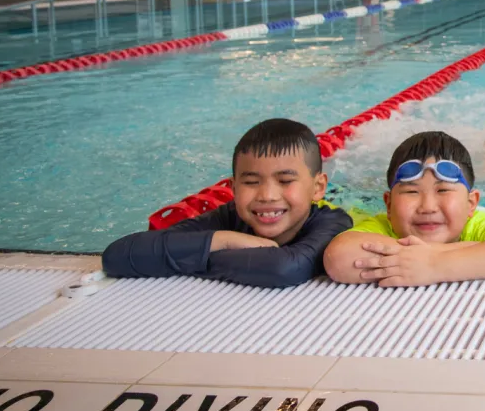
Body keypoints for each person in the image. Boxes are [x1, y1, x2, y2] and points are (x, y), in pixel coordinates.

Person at [102, 119, 352, 288]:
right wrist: (223, 240)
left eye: (285, 180)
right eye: (251, 182)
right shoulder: (227, 220)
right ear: (232, 188)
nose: (266, 195)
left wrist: (195, 256)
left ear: (318, 188)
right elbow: (117, 256)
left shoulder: (334, 222)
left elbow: (284, 268)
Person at [323, 131, 485, 286]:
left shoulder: (481, 224)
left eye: (443, 190)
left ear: (470, 204)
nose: (428, 207)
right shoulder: (383, 225)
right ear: (389, 205)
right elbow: (340, 257)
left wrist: (435, 265)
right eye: (412, 192)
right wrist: (479, 251)